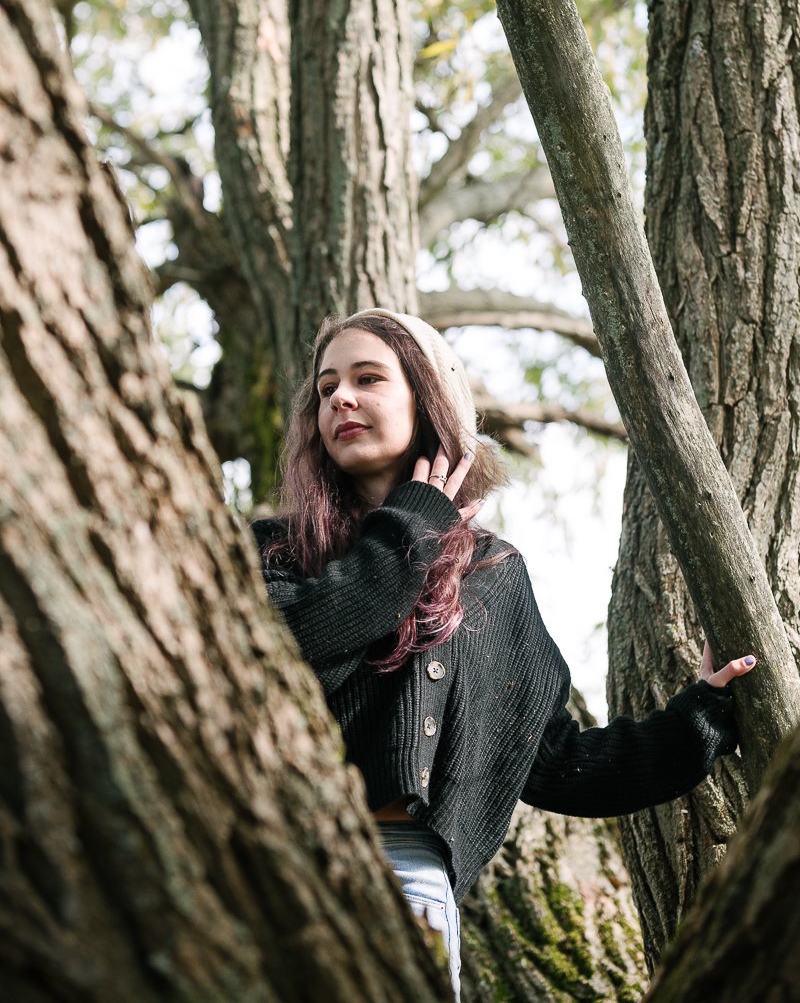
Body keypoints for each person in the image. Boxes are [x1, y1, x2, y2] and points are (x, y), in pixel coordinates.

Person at [251, 308, 756, 1000]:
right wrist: (416, 519)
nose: (339, 397)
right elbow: (288, 650)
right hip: (266, 865)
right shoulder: (271, 554)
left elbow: (554, 762)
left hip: (410, 881)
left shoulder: (491, 575)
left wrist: (704, 715)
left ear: (428, 398)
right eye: (326, 386)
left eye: (368, 378)